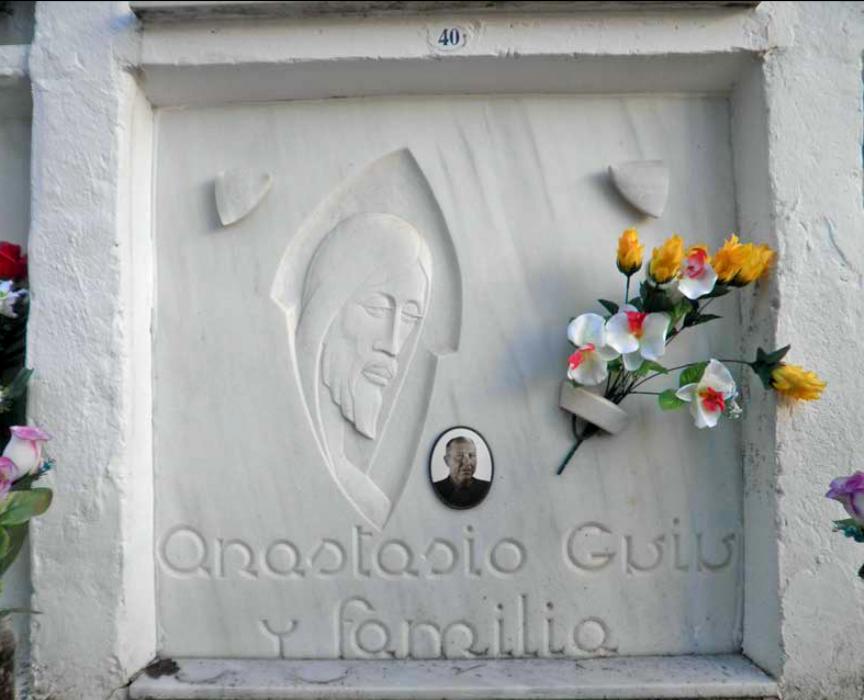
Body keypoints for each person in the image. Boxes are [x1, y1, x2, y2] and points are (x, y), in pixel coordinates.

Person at [433, 436, 490, 509]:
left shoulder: (486, 488)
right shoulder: (435, 490)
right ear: (447, 460)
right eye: (459, 456)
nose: (467, 462)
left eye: (471, 455)